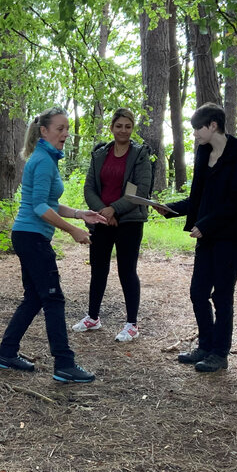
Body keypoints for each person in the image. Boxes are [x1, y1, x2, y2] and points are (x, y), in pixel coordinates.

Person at [0, 107, 107, 383]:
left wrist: (81, 214)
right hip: (32, 237)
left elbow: (50, 203)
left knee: (35, 297)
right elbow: (39, 207)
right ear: (44, 131)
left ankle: (6, 353)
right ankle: (64, 364)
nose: (66, 133)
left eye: (67, 128)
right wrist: (72, 230)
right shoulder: (43, 160)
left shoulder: (45, 158)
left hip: (28, 236)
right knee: (53, 298)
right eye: (60, 128)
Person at [154, 103, 237, 372]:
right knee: (198, 292)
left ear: (212, 125)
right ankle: (205, 345)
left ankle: (219, 353)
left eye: (197, 128)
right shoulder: (203, 152)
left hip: (229, 237)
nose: (195, 134)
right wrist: (171, 208)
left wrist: (207, 225)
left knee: (222, 296)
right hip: (207, 235)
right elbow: (197, 197)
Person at [73, 107, 153, 343]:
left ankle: (131, 324)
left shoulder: (139, 154)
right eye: (119, 126)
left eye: (128, 126)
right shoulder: (100, 154)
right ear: (112, 127)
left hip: (129, 220)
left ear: (132, 128)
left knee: (126, 270)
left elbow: (140, 189)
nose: (123, 130)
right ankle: (93, 317)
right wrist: (103, 212)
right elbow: (89, 188)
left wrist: (115, 209)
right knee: (98, 269)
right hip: (100, 220)